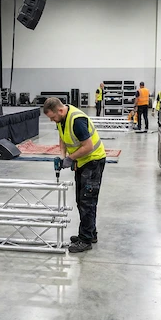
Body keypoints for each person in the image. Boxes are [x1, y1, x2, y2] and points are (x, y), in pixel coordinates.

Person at [42, 97, 107, 253]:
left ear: (60, 110)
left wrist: (70, 158)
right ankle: (90, 233)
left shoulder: (77, 120)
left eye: (52, 117)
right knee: (81, 200)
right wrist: (63, 156)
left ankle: (85, 240)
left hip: (93, 161)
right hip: (82, 162)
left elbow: (88, 146)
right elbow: (62, 137)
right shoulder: (61, 119)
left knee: (87, 201)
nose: (52, 120)